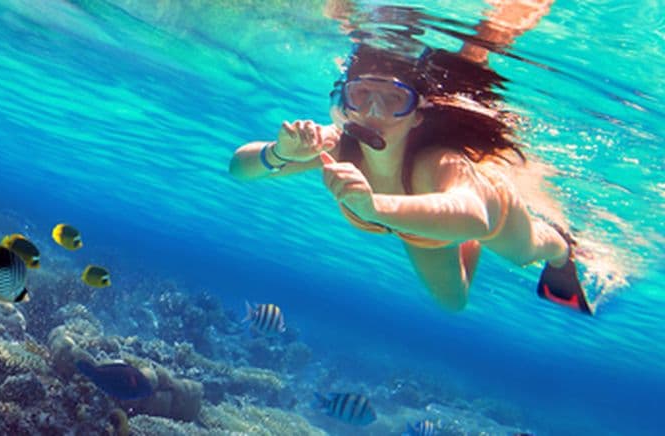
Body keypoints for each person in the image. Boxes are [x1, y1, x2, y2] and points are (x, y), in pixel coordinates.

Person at [228, 3, 595, 315]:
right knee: (454, 302)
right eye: (361, 95)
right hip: (422, 227)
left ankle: (563, 250)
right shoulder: (337, 146)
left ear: (417, 113)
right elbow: (238, 168)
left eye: (393, 99)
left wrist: (375, 207)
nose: (374, 111)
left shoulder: (435, 160)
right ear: (345, 104)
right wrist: (279, 154)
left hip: (483, 208)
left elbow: (474, 216)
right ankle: (450, 232)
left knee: (527, 251)